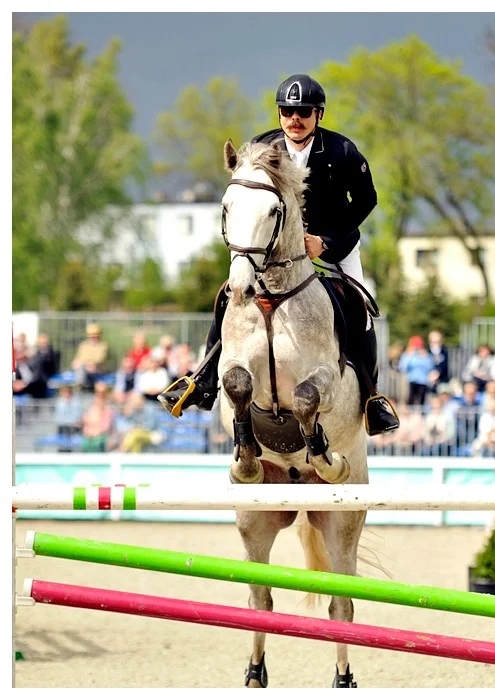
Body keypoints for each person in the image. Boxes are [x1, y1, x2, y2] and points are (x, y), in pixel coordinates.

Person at [158, 72, 398, 435]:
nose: (294, 119)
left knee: (359, 311)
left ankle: (371, 398)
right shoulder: (261, 148)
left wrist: (326, 241)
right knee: (230, 297)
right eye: (287, 111)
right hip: (276, 251)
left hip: (333, 246)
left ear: (319, 114)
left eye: (303, 111)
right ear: (279, 114)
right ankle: (204, 380)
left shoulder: (341, 151)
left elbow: (367, 200)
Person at [399, 336, 436, 406]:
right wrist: (409, 355)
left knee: (422, 400)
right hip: (411, 381)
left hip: (423, 382)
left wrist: (424, 357)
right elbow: (403, 367)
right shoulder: (407, 355)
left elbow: (430, 368)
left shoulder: (426, 356)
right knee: (410, 399)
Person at [71, 324, 109, 391]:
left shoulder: (103, 346)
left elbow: (99, 359)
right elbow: (77, 358)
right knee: (80, 367)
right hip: (84, 370)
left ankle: (81, 385)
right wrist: (76, 363)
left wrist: (85, 363)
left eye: (95, 335)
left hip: (97, 371)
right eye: (91, 335)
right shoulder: (83, 345)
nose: (93, 337)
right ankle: (81, 384)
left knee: (84, 367)